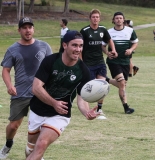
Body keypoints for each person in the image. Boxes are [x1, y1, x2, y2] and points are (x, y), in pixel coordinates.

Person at [25, 30, 99, 160]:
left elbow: (81, 99)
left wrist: (87, 112)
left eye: (80, 46)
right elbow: (36, 88)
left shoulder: (83, 71)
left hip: (60, 114)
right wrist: (54, 102)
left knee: (41, 144)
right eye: (74, 45)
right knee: (30, 150)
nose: (78, 49)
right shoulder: (51, 61)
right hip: (37, 110)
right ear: (65, 45)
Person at [0, 17, 52, 159]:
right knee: (13, 126)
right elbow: (5, 70)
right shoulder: (12, 49)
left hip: (40, 93)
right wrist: (9, 86)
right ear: (19, 30)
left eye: (30, 27)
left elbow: (52, 67)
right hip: (21, 93)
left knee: (41, 126)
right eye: (24, 27)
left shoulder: (44, 46)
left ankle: (37, 153)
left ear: (33, 29)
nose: (28, 30)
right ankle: (8, 144)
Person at [80, 9, 117, 120]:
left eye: (97, 17)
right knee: (89, 87)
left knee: (103, 85)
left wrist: (113, 50)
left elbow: (109, 40)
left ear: (99, 18)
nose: (95, 19)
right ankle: (87, 109)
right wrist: (81, 62)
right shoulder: (85, 31)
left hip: (100, 62)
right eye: (93, 17)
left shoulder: (103, 29)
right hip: (88, 64)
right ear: (90, 18)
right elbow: (80, 47)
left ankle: (99, 109)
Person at [103, 12, 138, 114]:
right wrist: (107, 52)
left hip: (125, 61)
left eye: (120, 18)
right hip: (113, 61)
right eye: (116, 18)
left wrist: (131, 50)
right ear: (113, 20)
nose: (118, 20)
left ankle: (107, 79)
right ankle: (126, 107)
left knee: (122, 85)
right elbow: (102, 45)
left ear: (124, 20)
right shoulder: (108, 32)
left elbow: (135, 42)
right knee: (122, 83)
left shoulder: (130, 31)